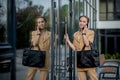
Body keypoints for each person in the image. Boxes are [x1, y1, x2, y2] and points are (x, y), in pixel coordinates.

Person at [64, 16, 98, 80]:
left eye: (84, 21)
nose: (81, 23)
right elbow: (75, 48)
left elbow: (87, 44)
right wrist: (68, 40)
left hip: (88, 60)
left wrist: (84, 33)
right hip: (79, 60)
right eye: (80, 21)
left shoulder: (91, 32)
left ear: (87, 23)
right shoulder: (76, 34)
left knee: (94, 78)